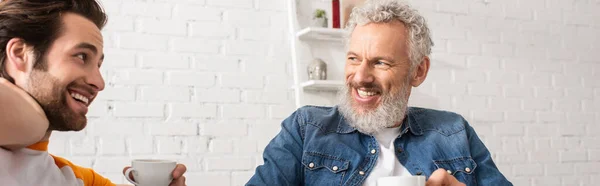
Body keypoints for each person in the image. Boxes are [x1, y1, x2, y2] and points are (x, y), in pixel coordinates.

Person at [246, 0, 512, 185]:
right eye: (353, 59)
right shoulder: (306, 129)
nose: (360, 77)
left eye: (380, 62)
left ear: (418, 72)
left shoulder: (454, 131)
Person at [0, 1, 186, 185]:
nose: (99, 83)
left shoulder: (81, 180)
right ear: (19, 54)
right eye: (81, 56)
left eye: (98, 64)